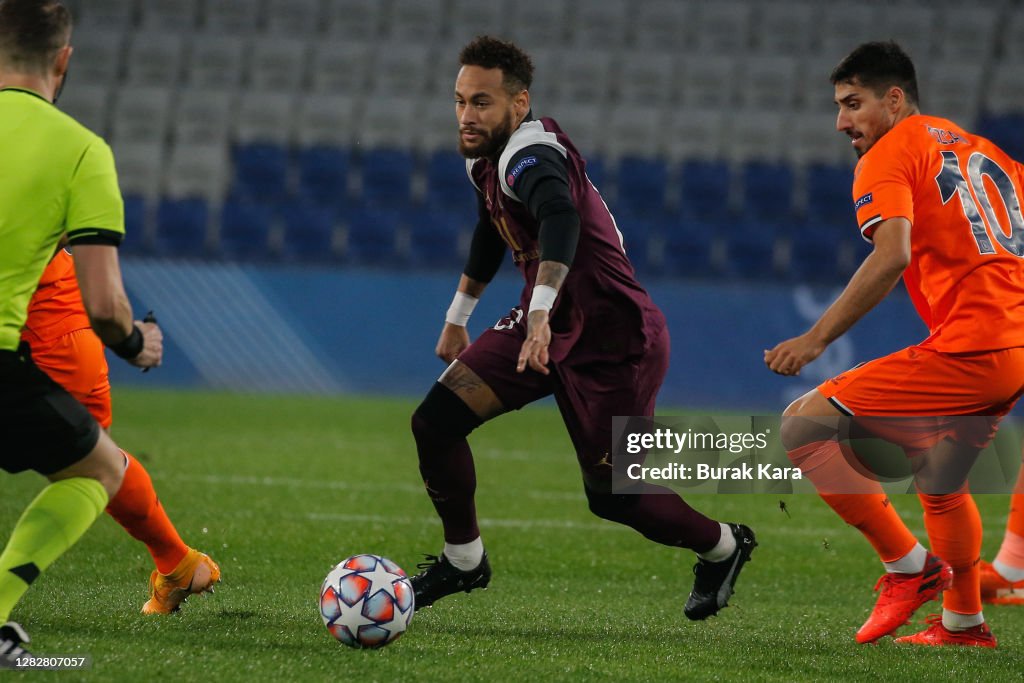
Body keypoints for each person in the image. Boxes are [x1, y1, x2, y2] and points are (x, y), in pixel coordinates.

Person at [408, 35, 755, 620]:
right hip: (541, 324)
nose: (467, 116)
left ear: (520, 104)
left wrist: (541, 310)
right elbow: (492, 228)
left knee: (617, 498)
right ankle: (464, 560)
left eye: (482, 103)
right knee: (435, 422)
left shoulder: (529, 154)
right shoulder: (484, 160)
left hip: (612, 341)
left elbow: (560, 216)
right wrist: (458, 316)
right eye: (460, 101)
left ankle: (723, 545)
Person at [765, 41, 1024, 647]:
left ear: (895, 98)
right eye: (838, 106)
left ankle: (907, 568)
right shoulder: (988, 153)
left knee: (803, 427)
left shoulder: (892, 151)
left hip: (976, 347)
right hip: (1014, 344)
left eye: (854, 104)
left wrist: (815, 338)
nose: (842, 121)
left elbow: (892, 254)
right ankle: (963, 623)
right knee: (942, 479)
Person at [0, 0, 156, 666]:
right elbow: (103, 304)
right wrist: (135, 342)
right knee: (100, 469)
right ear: (63, 61)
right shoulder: (81, 151)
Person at [22, 246, 220, 615]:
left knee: (90, 466)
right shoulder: (80, 190)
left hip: (33, 335)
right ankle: (177, 562)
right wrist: (130, 339)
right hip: (69, 324)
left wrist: (131, 341)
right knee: (96, 462)